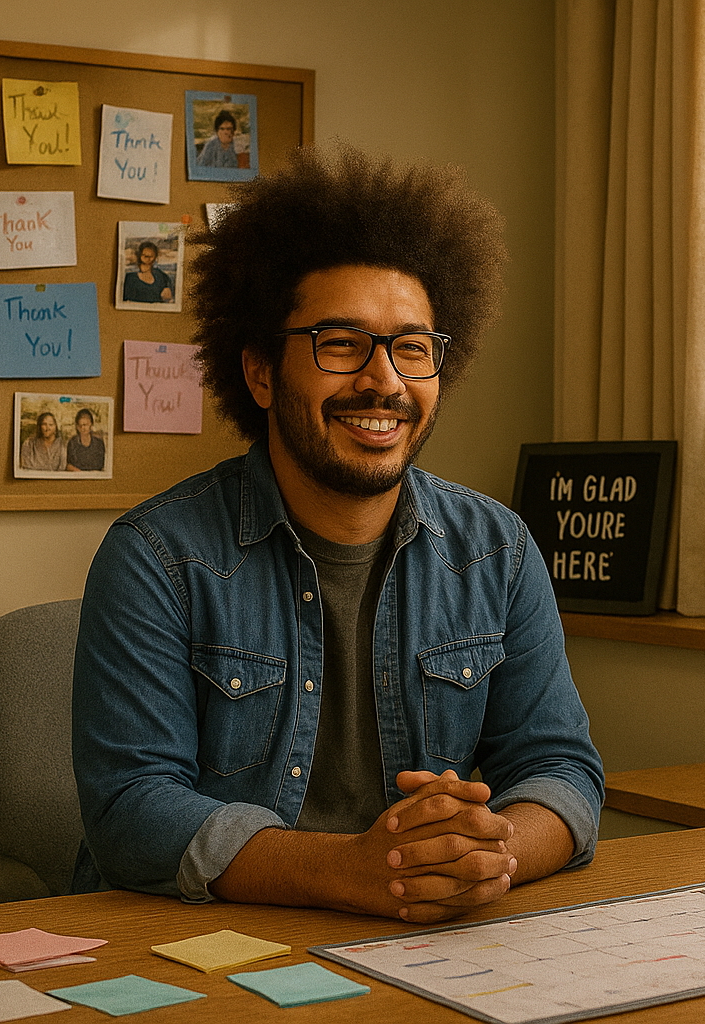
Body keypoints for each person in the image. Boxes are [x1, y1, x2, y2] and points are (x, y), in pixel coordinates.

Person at [72, 145, 604, 925]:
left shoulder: (499, 551)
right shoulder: (156, 558)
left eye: (412, 348)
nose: (384, 379)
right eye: (341, 343)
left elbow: (562, 770)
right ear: (259, 372)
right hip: (203, 950)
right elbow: (132, 810)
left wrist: (485, 853)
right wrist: (354, 870)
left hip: (426, 941)